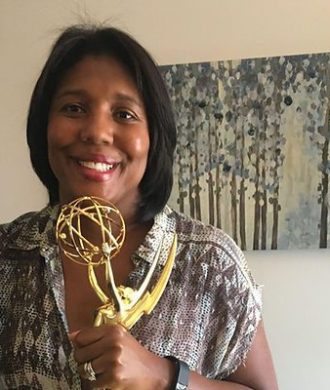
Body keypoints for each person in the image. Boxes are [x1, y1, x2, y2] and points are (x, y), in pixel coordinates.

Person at [0, 24, 278, 390]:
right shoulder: (8, 254)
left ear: (153, 135)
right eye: (74, 108)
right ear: (44, 125)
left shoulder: (211, 264)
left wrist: (164, 377)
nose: (97, 132)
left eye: (124, 114)